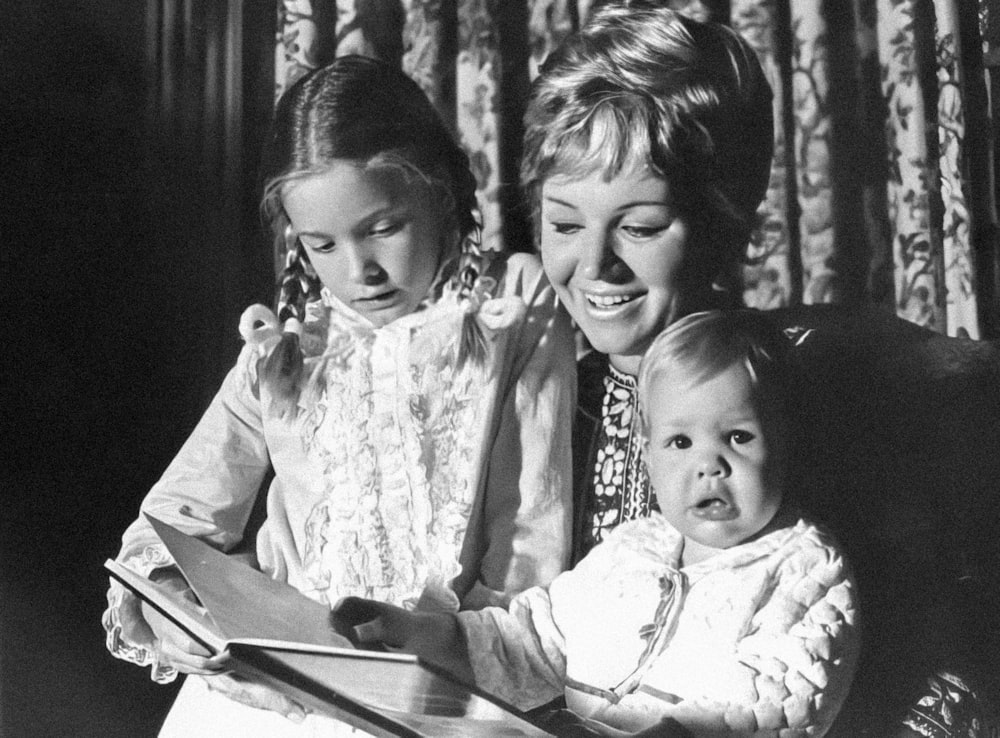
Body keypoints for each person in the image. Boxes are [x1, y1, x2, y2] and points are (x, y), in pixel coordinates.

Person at [102, 54, 576, 736]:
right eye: (321, 244)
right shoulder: (287, 344)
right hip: (279, 697)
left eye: (383, 227)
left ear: (439, 191)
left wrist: (444, 644)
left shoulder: (511, 308)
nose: (361, 272)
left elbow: (529, 539)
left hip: (445, 690)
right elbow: (169, 521)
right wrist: (164, 605)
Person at [339, 310, 860, 737]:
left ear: (788, 443)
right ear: (648, 454)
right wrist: (424, 634)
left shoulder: (806, 569)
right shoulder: (634, 548)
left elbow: (773, 698)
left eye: (739, 437)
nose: (710, 465)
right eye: (680, 443)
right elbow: (536, 635)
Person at [516, 1, 775, 562]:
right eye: (563, 223)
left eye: (639, 228)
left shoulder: (777, 398)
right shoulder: (542, 400)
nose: (592, 266)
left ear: (723, 227)